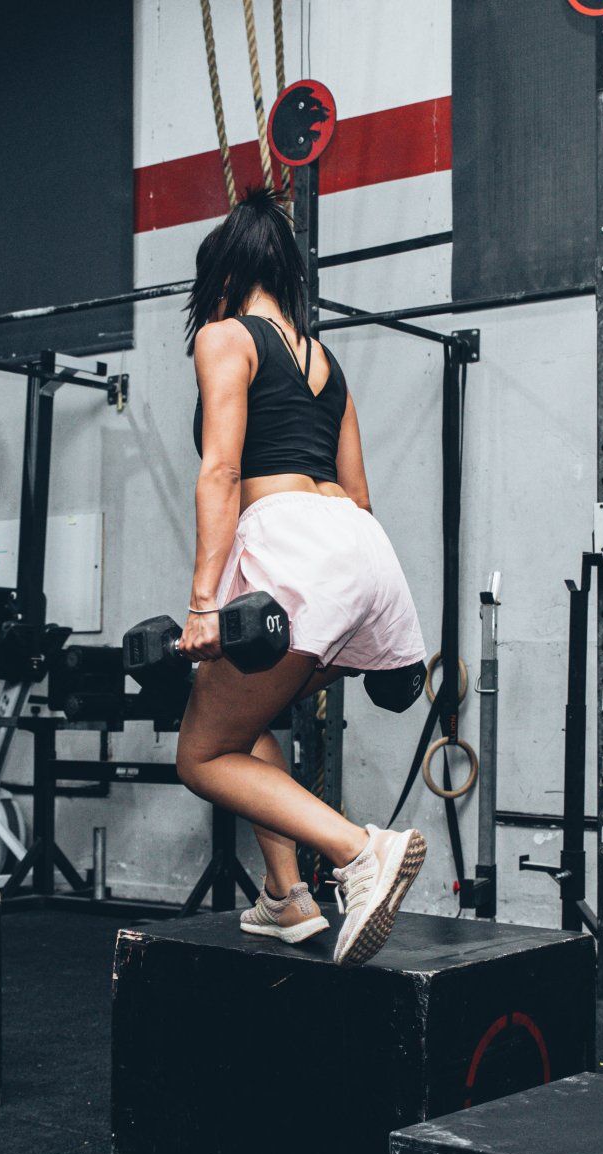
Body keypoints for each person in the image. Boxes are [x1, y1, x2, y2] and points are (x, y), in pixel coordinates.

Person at [175, 188, 429, 966]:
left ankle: (359, 851)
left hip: (290, 543)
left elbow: (221, 472)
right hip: (361, 549)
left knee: (200, 757)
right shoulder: (327, 360)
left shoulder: (225, 336)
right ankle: (286, 897)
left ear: (223, 272)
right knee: (241, 723)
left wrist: (203, 605)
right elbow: (360, 494)